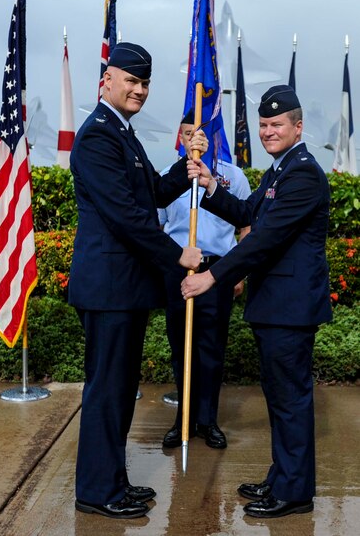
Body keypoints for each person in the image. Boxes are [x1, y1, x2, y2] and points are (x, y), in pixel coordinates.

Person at [68, 42, 207, 520]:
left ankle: (113, 482)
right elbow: (127, 217)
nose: (139, 89)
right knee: (107, 390)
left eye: (145, 83)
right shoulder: (97, 137)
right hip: (108, 289)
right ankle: (95, 490)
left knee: (120, 389)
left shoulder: (123, 134)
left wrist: (184, 165)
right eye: (131, 80)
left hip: (123, 288)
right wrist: (177, 255)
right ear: (106, 79)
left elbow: (148, 194)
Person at [181, 85, 332, 519]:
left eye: (276, 124)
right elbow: (250, 212)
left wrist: (213, 274)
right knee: (280, 397)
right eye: (263, 125)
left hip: (289, 308)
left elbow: (264, 240)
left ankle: (295, 492)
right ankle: (282, 476)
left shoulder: (302, 174)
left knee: (290, 399)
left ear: (297, 127)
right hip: (277, 306)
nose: (268, 131)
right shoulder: (280, 170)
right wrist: (210, 187)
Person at [160, 109, 251, 449]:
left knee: (211, 351)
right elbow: (157, 226)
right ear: (180, 138)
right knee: (180, 349)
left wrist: (237, 272)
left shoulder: (232, 177)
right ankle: (182, 419)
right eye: (186, 134)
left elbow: (246, 226)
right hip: (179, 274)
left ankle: (207, 420)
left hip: (217, 274)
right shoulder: (168, 178)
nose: (193, 140)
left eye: (199, 133)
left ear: (213, 137)